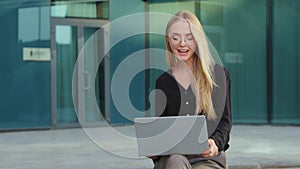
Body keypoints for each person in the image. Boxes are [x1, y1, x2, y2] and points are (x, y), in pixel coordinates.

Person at [151, 11, 232, 169]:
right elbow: (160, 128)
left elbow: (224, 122)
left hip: (206, 158)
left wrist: (215, 143)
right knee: (175, 161)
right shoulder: (163, 82)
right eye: (175, 38)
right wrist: (154, 149)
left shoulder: (218, 75)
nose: (182, 43)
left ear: (198, 40)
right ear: (168, 41)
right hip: (171, 158)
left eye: (189, 37)